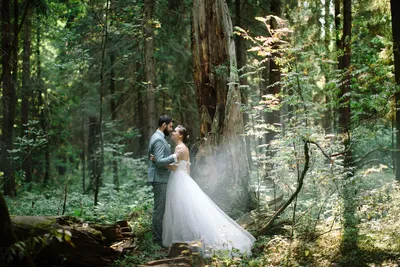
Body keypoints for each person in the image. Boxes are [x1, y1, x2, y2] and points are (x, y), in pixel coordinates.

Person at [158, 125, 256, 255]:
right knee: (185, 207)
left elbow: (175, 167)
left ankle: (186, 238)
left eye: (175, 131)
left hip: (178, 178)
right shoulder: (184, 148)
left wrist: (159, 162)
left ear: (180, 135)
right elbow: (187, 167)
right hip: (182, 178)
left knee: (180, 207)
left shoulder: (179, 148)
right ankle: (186, 238)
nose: (173, 133)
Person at [148, 115, 182, 246]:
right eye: (170, 126)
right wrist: (174, 156)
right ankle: (157, 241)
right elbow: (159, 162)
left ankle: (162, 237)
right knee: (159, 210)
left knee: (162, 209)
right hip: (159, 178)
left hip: (161, 177)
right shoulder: (158, 140)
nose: (171, 129)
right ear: (164, 125)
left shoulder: (159, 138)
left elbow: (158, 159)